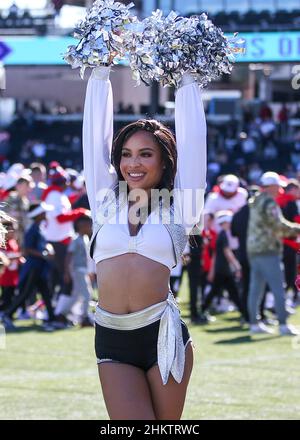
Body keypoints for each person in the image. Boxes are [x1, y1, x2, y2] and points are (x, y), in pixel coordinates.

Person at [83, 67, 206, 420]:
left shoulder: (183, 205)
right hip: (112, 335)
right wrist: (100, 72)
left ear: (164, 159)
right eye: (126, 153)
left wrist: (187, 80)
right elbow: (94, 139)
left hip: (162, 335)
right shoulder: (104, 199)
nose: (132, 163)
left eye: (145, 154)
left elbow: (195, 145)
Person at [247, 172, 300, 336]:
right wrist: (298, 229)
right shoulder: (269, 202)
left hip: (255, 249)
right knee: (278, 287)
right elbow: (278, 226)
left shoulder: (256, 201)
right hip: (267, 249)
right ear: (271, 186)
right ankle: (283, 324)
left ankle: (254, 324)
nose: (280, 189)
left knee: (256, 288)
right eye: (278, 186)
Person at [1, 202, 58, 331]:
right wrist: (43, 254)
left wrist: (48, 249)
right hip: (34, 267)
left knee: (45, 293)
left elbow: (42, 245)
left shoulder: (38, 228)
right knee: (25, 293)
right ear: (38, 215)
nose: (46, 214)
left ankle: (52, 318)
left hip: (39, 267)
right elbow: (27, 249)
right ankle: (7, 314)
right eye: (43, 212)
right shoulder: (32, 229)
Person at [200, 211, 244, 322]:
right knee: (232, 293)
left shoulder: (220, 234)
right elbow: (227, 252)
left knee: (219, 292)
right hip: (224, 270)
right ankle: (246, 315)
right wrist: (237, 266)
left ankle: (202, 311)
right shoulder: (223, 235)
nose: (230, 224)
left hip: (221, 269)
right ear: (224, 223)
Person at [63, 214, 94, 327]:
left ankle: (63, 314)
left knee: (76, 295)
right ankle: (84, 317)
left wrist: (89, 271)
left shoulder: (85, 239)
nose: (90, 227)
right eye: (89, 225)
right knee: (86, 294)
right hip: (77, 270)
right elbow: (68, 256)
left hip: (83, 270)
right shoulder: (75, 240)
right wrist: (67, 272)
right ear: (82, 226)